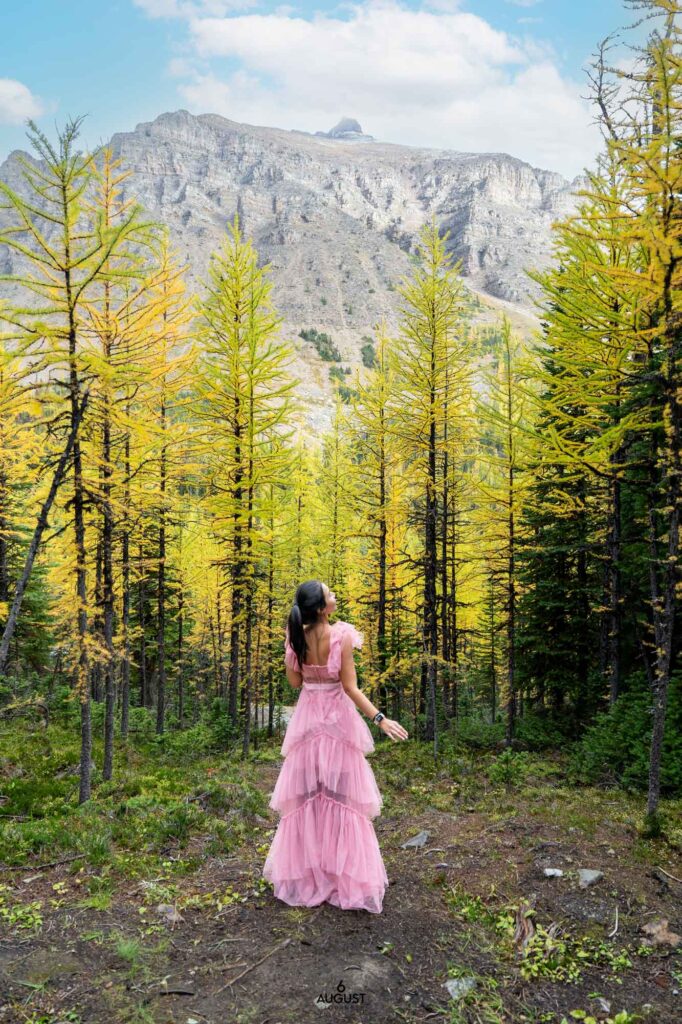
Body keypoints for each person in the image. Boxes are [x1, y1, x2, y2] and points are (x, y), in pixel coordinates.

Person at [262, 580, 409, 914]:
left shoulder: (296, 636)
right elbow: (350, 688)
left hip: (308, 723)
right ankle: (340, 876)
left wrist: (295, 650)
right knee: (341, 799)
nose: (335, 597)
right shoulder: (341, 636)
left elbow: (295, 682)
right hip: (338, 724)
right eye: (330, 595)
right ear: (320, 608)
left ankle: (310, 875)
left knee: (308, 800)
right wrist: (380, 719)